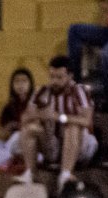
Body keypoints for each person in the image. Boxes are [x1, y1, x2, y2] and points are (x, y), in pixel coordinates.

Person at [14, 57, 98, 187]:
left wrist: (59, 117)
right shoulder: (42, 92)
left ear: (70, 76)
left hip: (80, 145)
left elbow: (87, 121)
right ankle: (30, 172)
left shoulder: (79, 91)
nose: (54, 81)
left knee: (72, 126)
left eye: (59, 78)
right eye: (52, 77)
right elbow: (25, 118)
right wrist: (42, 115)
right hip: (52, 143)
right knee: (29, 128)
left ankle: (65, 174)